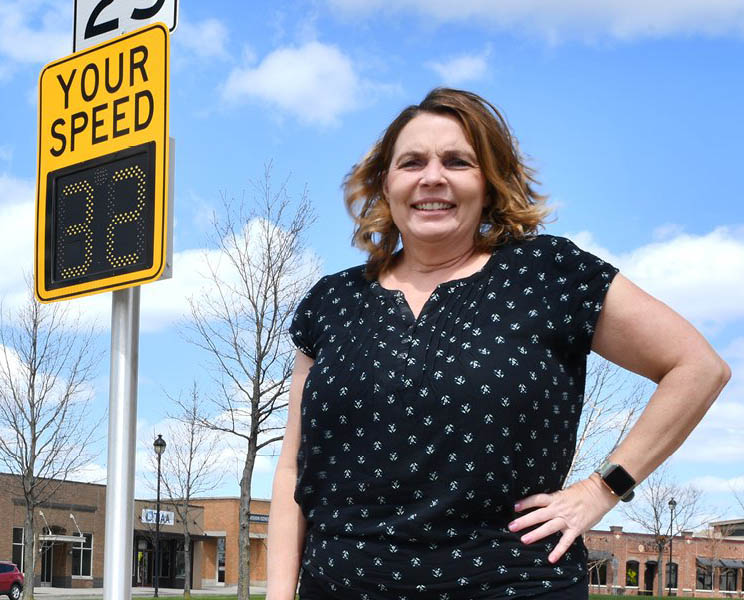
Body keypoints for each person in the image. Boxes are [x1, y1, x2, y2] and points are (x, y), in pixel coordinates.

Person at [265, 88, 730, 599]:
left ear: (488, 181)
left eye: (458, 161)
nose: (432, 177)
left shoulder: (550, 275)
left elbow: (698, 366)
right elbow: (294, 468)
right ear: (385, 183)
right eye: (412, 162)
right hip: (338, 585)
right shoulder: (331, 302)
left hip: (511, 583)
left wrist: (602, 488)